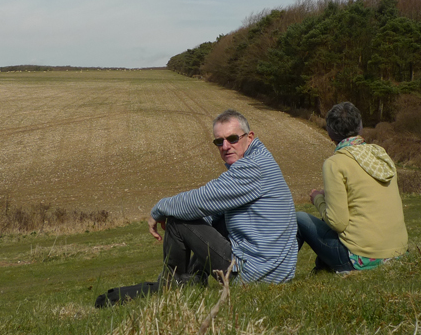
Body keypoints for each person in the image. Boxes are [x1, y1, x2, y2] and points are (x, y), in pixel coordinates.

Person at [148, 109, 298, 285]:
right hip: (271, 271)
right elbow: (214, 209)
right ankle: (192, 279)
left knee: (177, 220)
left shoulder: (252, 167)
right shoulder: (260, 160)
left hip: (255, 275)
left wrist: (159, 210)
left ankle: (174, 285)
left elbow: (200, 201)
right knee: (212, 217)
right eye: (219, 141)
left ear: (249, 137)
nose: (225, 146)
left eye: (233, 139)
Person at [297, 102, 407, 273]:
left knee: (299, 218)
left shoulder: (335, 163)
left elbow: (337, 222)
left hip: (361, 259)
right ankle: (321, 270)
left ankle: (278, 274)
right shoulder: (380, 154)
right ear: (360, 127)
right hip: (398, 253)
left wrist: (317, 198)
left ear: (330, 133)